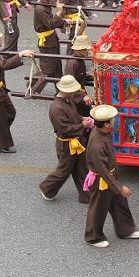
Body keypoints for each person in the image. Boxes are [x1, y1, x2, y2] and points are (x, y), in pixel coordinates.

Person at [84, 104, 139, 248]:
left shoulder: (103, 133)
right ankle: (92, 237)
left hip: (109, 176)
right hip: (102, 180)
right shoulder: (97, 144)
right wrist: (119, 187)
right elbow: (102, 170)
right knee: (98, 208)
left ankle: (126, 230)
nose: (114, 121)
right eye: (112, 120)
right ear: (106, 124)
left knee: (120, 203)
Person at [0, 27, 35, 153]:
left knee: (10, 113)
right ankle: (0, 144)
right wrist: (20, 54)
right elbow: (3, 65)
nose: (1, 38)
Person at [39, 75, 92, 204]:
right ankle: (47, 188)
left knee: (81, 167)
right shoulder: (56, 108)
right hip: (66, 145)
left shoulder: (67, 100)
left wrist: (81, 119)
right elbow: (65, 129)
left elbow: (73, 116)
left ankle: (86, 195)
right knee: (64, 170)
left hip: (75, 141)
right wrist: (82, 125)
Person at [32, 0, 66, 93]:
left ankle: (60, 90)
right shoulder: (40, 8)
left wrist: (63, 22)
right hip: (47, 41)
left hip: (51, 38)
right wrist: (59, 13)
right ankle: (33, 88)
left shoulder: (44, 5)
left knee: (56, 66)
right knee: (48, 68)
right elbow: (50, 23)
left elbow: (51, 21)